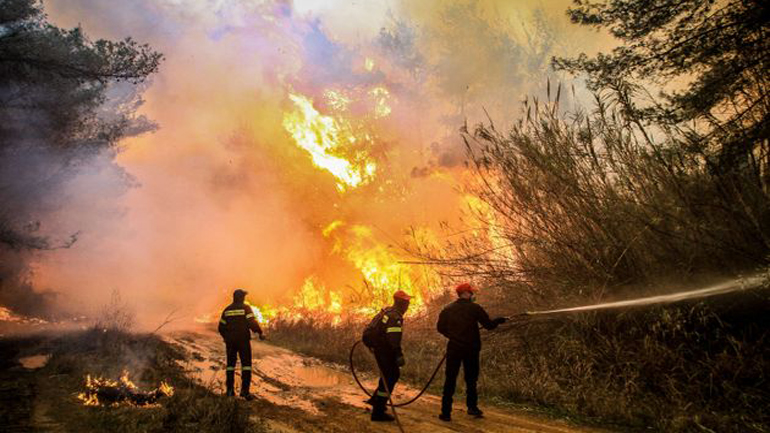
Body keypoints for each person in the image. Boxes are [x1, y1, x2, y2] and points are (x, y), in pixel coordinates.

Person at [436, 282, 506, 421]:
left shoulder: (447, 309)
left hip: (454, 348)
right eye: (471, 292)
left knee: (450, 379)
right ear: (466, 293)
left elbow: (440, 328)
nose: (473, 294)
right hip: (471, 349)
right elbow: (489, 325)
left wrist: (452, 336)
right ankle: (472, 408)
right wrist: (499, 320)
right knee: (471, 379)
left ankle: (445, 412)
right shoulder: (475, 308)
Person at [361, 290, 412, 422]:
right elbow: (393, 339)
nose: (408, 305)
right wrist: (398, 355)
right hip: (384, 349)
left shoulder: (388, 311)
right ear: (401, 303)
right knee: (391, 375)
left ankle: (375, 400)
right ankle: (378, 412)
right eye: (407, 302)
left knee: (386, 373)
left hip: (378, 346)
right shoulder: (395, 317)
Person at [218, 288, 265, 400]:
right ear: (241, 298)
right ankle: (245, 392)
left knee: (230, 365)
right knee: (246, 365)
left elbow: (221, 327)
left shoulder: (227, 310)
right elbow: (251, 322)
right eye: (244, 296)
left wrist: (226, 338)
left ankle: (229, 391)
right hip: (243, 340)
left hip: (231, 342)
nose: (245, 298)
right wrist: (260, 332)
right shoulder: (246, 308)